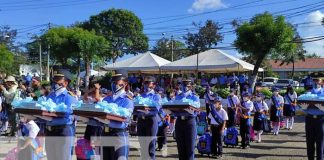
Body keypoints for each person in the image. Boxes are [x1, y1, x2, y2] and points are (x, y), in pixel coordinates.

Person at [37, 73, 75, 160]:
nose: (55, 82)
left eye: (58, 80)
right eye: (54, 80)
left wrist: (49, 119)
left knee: (63, 157)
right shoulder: (50, 95)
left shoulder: (69, 97)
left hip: (62, 131)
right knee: (51, 157)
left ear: (65, 83)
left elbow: (67, 117)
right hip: (49, 131)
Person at [102, 74, 134, 160]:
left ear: (124, 84)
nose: (114, 85)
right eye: (112, 82)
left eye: (116, 82)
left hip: (118, 134)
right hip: (105, 134)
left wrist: (108, 120)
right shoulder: (106, 99)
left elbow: (125, 119)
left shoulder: (127, 100)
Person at [133, 76, 161, 160]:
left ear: (154, 85)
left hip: (151, 120)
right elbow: (133, 109)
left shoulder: (156, 96)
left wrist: (147, 111)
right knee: (142, 145)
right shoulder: (140, 95)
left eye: (148, 82)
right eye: (145, 83)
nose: (146, 85)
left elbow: (157, 109)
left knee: (151, 145)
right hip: (141, 120)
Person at [173, 79, 200, 160]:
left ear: (191, 86)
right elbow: (174, 108)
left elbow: (197, 108)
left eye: (187, 85)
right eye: (183, 85)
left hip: (190, 122)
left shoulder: (195, 97)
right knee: (180, 147)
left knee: (190, 148)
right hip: (179, 121)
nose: (185, 87)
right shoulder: (178, 96)